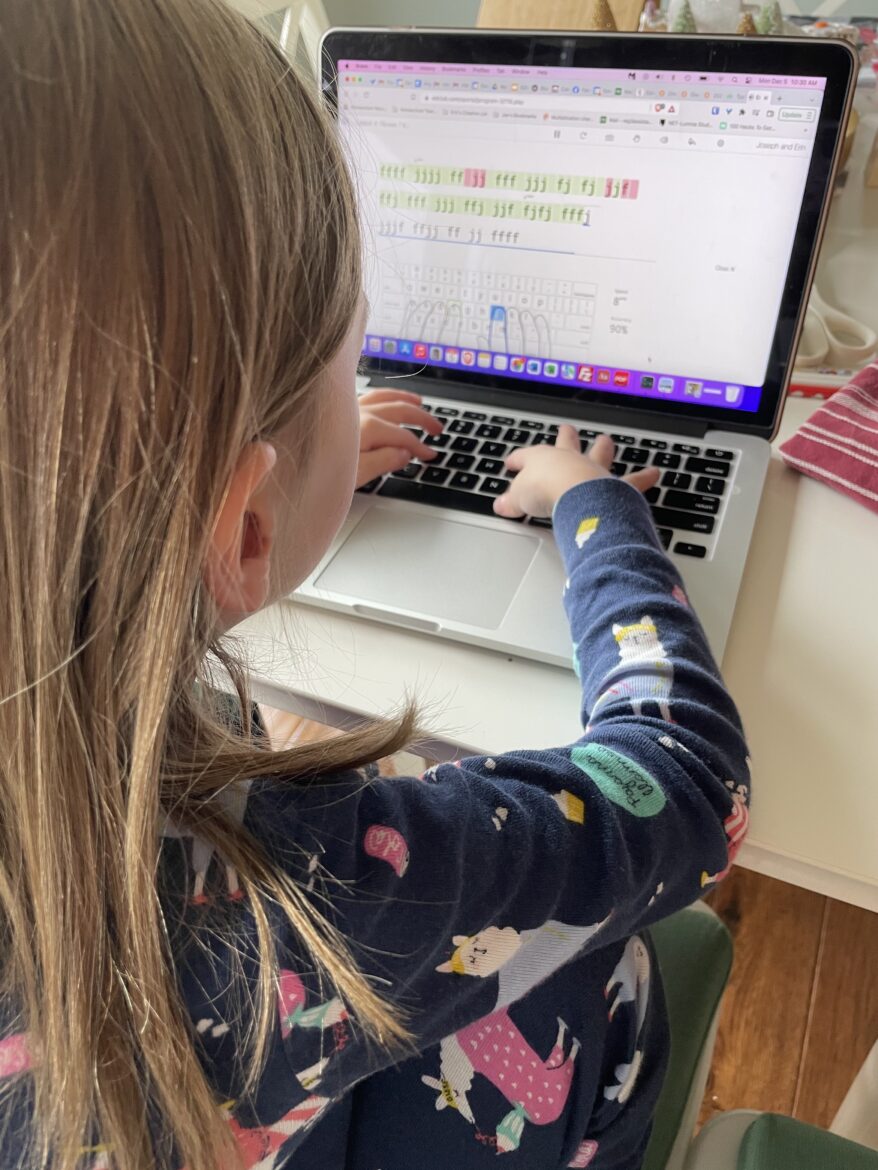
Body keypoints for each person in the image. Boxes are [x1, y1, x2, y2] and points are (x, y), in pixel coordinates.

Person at [0, 1, 750, 1168]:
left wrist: (258, 496)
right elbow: (693, 784)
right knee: (608, 969)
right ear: (241, 525)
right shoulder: (304, 890)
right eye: (349, 360)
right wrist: (599, 511)